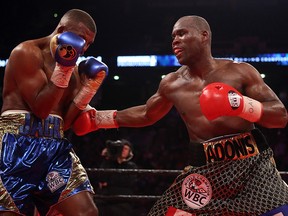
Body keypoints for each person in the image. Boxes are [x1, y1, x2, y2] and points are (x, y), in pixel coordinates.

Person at [72, 15, 288, 215]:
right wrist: (98, 119)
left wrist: (240, 104)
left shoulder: (240, 71)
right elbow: (147, 113)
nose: (175, 40)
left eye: (182, 33)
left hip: (253, 168)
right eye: (173, 36)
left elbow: (280, 116)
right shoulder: (171, 83)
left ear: (204, 36)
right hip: (205, 173)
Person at [0, 9, 109, 216]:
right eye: (81, 39)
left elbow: (65, 125)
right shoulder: (26, 52)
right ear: (62, 30)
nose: (84, 47)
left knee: (86, 212)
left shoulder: (73, 72)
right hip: (14, 147)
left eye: (89, 43)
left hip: (54, 149)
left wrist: (87, 90)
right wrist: (65, 67)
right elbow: (41, 110)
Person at [96, 139, 138, 216]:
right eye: (121, 148)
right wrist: (106, 158)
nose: (123, 150)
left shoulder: (131, 166)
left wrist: (109, 182)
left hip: (122, 200)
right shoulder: (108, 163)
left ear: (129, 152)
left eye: (126, 149)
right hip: (105, 198)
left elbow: (129, 182)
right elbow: (101, 178)